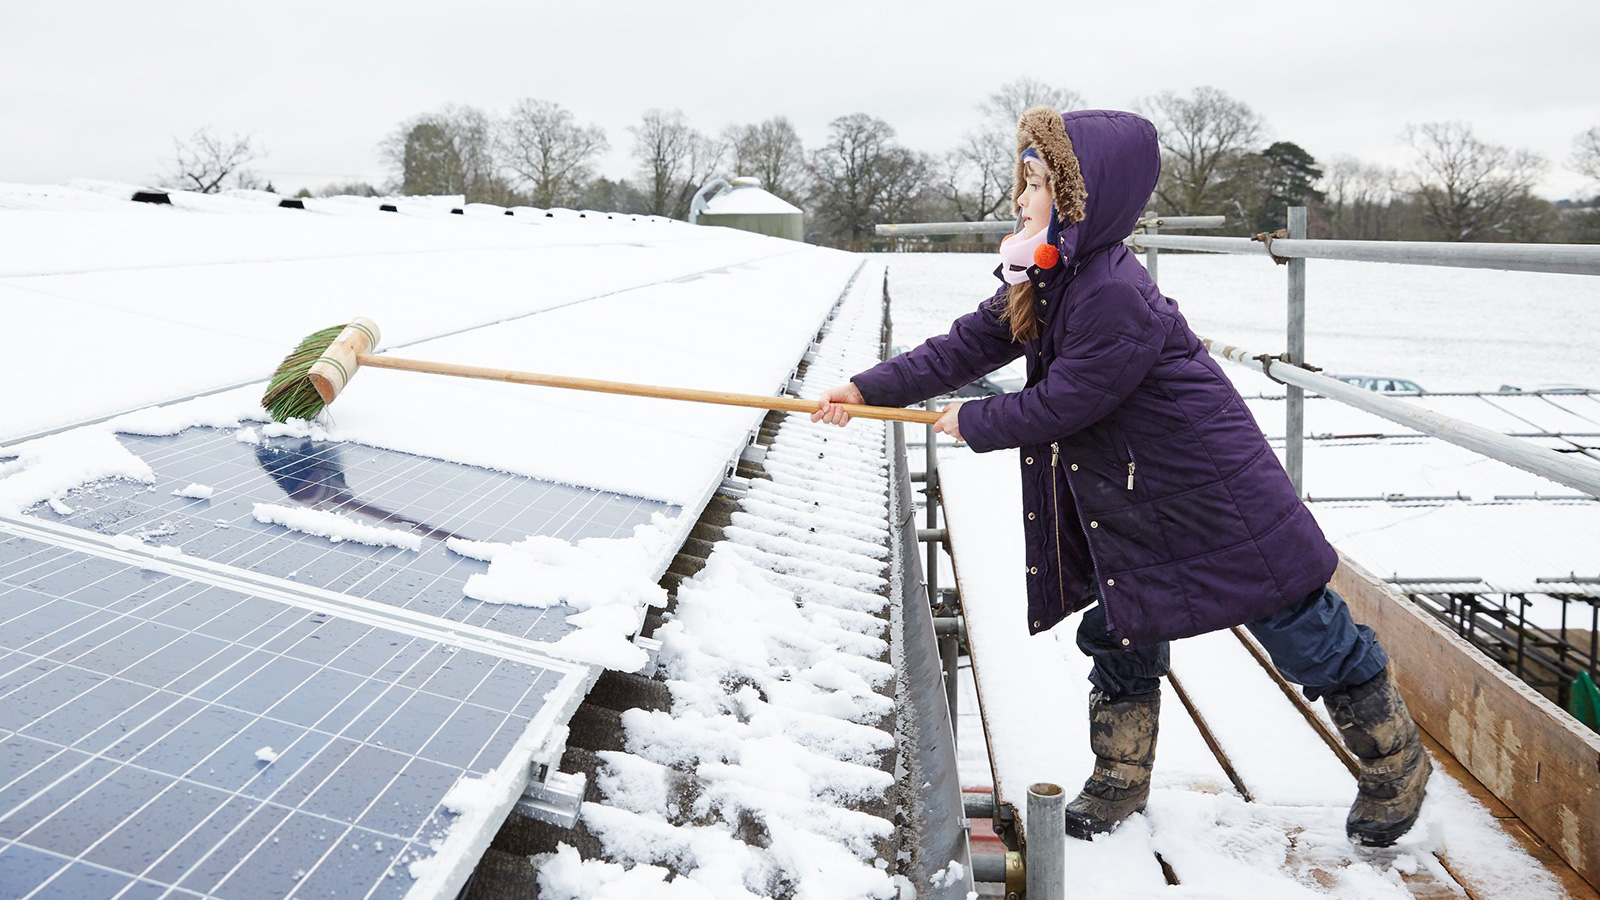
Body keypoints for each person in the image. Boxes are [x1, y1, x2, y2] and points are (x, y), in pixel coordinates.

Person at [813, 107, 1430, 847]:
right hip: (1137, 491)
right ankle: (1121, 776)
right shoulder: (1049, 273)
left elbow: (1073, 398)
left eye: (1037, 183)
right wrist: (868, 388)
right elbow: (970, 342)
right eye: (1023, 182)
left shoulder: (1110, 289)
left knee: (1298, 626)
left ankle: (1396, 764)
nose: (1021, 199)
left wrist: (976, 422)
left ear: (1080, 198)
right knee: (1121, 622)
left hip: (1210, 489)